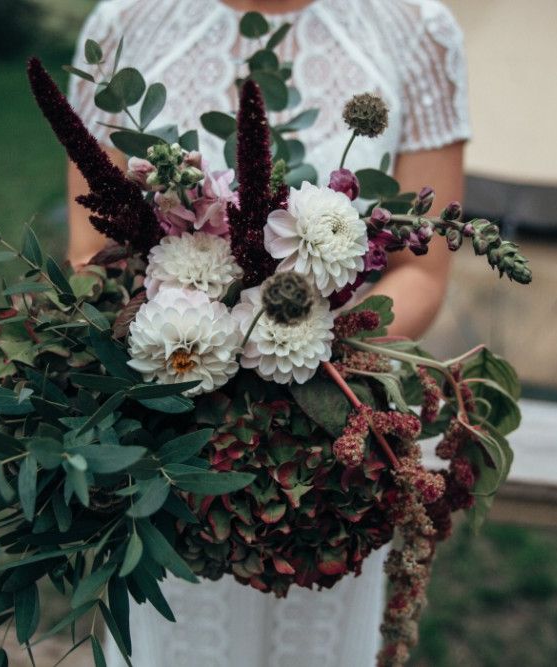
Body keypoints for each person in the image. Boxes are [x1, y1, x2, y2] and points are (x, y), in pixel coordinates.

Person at [66, 1, 469, 664]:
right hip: (168, 436)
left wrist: (311, 354)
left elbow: (419, 271)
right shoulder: (125, 23)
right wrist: (196, 349)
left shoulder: (415, 29)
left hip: (333, 443)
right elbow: (89, 251)